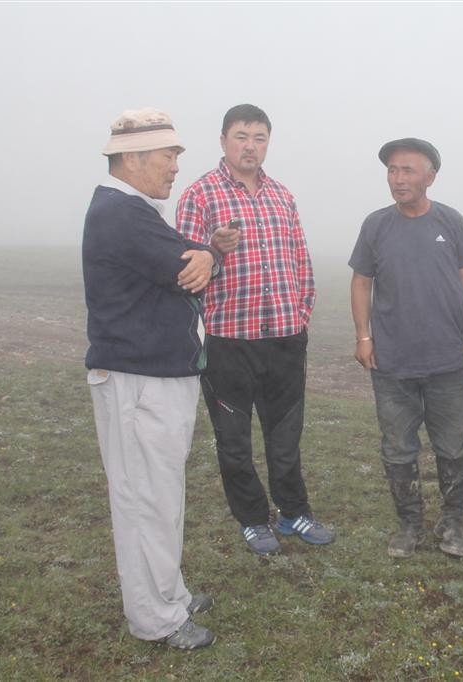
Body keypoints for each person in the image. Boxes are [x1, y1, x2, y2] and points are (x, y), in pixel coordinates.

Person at [83, 108, 222, 649]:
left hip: (152, 376)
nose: (175, 166)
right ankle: (156, 618)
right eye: (168, 155)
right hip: (139, 381)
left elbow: (192, 262)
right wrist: (208, 254)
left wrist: (207, 255)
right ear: (133, 158)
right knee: (145, 501)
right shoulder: (122, 213)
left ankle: (170, 594)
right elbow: (186, 268)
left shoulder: (134, 211)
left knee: (160, 495)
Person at [175, 104, 333, 556]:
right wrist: (214, 248)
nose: (250, 146)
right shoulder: (200, 195)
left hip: (284, 337)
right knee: (234, 440)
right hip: (228, 340)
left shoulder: (282, 196)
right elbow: (184, 268)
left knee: (286, 436)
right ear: (223, 141)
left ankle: (293, 512)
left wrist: (300, 313)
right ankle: (251, 518)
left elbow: (300, 260)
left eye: (259, 137)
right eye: (241, 136)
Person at [349, 138, 463, 559]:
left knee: (453, 446)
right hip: (392, 363)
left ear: (431, 177)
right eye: (392, 170)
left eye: (407, 170)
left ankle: (452, 522)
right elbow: (361, 282)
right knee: (398, 448)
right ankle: (409, 524)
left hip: (447, 361)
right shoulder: (375, 225)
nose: (398, 178)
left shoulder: (451, 221)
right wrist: (363, 336)